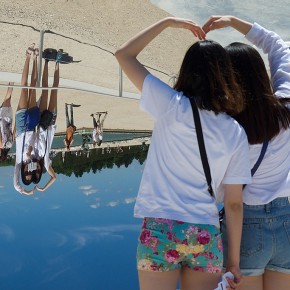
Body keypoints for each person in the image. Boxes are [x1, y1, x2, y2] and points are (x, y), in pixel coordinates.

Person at [115, 17, 252, 290]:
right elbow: (234, 204)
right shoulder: (235, 131)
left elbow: (124, 54)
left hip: (160, 230)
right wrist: (233, 262)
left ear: (187, 71)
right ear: (225, 75)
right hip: (205, 233)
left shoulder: (169, 105)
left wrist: (167, 22)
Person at [203, 16, 290, 290]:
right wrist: (233, 22)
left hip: (245, 228)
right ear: (261, 74)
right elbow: (277, 46)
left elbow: (230, 199)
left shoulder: (224, 128)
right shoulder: (286, 108)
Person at [32, 50, 63, 192]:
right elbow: (54, 178)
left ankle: (46, 61)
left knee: (45, 90)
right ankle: (57, 61)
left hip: (39, 122)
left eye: (35, 172)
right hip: (49, 125)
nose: (37, 170)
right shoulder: (45, 163)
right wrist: (43, 188)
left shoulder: (30, 157)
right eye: (38, 173)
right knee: (54, 90)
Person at [14, 44, 40, 195]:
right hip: (31, 126)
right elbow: (35, 139)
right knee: (33, 88)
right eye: (30, 173)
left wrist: (25, 191)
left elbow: (16, 185)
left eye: (26, 174)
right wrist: (30, 151)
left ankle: (27, 56)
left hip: (22, 125)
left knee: (24, 88)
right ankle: (36, 59)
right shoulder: (34, 157)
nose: (27, 171)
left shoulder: (18, 163)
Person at [0, 82, 14, 162]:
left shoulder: (9, 145)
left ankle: (11, 83)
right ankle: (11, 82)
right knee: (7, 98)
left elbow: (12, 133)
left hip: (9, 120)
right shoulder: (1, 145)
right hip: (3, 119)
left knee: (8, 98)